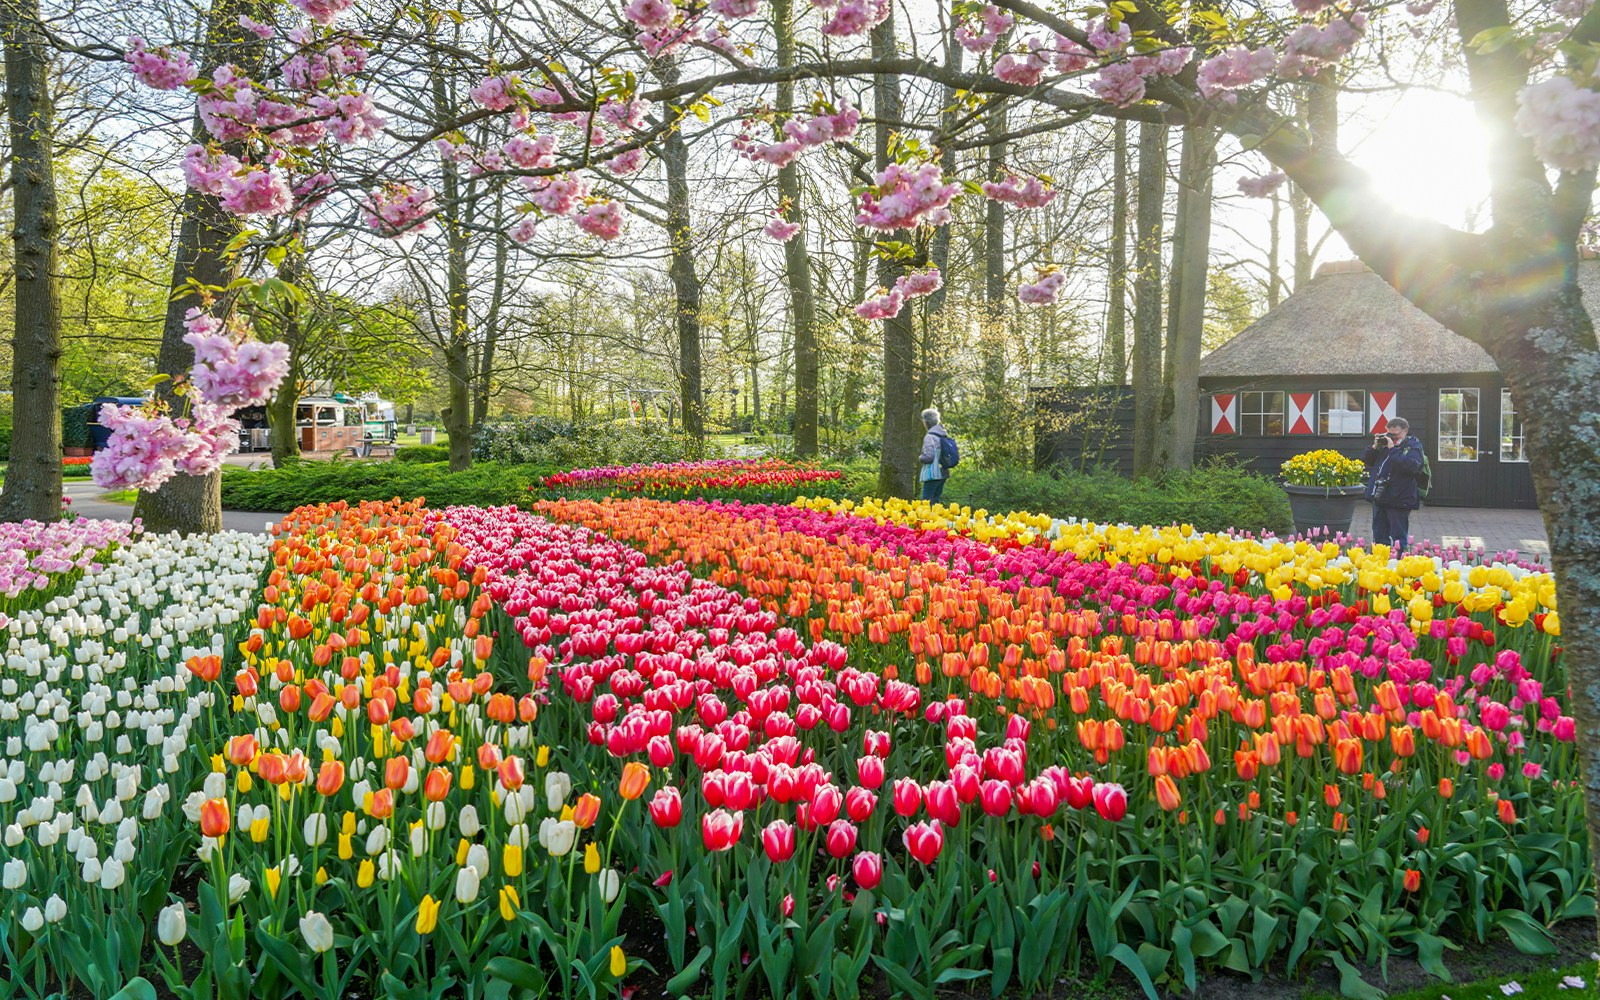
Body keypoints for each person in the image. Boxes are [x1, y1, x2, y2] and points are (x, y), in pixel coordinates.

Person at [1362, 416, 1425, 554]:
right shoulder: (1384, 445)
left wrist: (1392, 448)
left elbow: (1411, 466)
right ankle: (1380, 564)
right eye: (1390, 434)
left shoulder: (1413, 446)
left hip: (1399, 498)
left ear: (1405, 430)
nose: (1393, 438)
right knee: (1379, 535)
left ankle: (1398, 564)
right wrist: (1375, 446)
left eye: (1396, 434)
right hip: (1380, 496)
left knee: (1398, 537)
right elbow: (1368, 460)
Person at [918, 407, 952, 502]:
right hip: (943, 472)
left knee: (926, 502)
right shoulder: (943, 434)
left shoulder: (930, 437)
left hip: (933, 473)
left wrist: (920, 457)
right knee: (936, 500)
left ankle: (928, 517)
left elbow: (929, 457)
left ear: (926, 422)